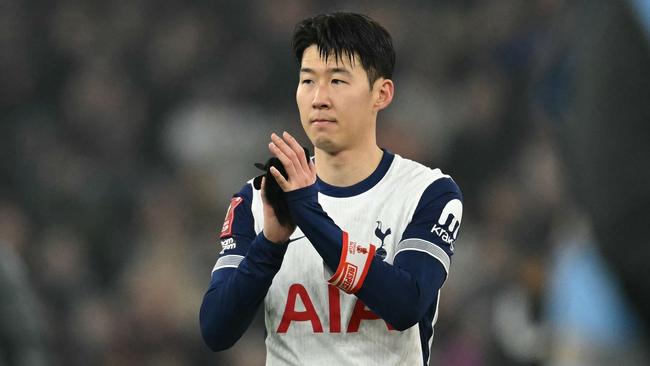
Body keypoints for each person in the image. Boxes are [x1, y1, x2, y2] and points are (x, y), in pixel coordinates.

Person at [200, 12, 463, 366]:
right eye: (308, 81)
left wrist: (308, 213)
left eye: (337, 81)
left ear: (381, 93)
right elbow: (216, 330)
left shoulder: (427, 193)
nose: (319, 98)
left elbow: (405, 305)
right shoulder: (257, 199)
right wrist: (271, 243)